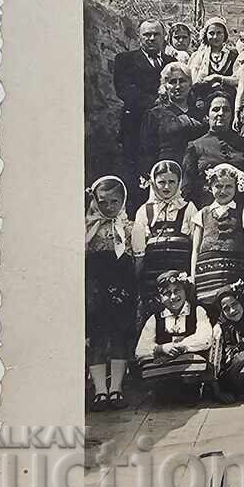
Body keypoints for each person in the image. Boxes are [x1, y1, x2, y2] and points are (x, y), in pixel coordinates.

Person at [85, 175, 136, 411]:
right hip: (95, 287)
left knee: (118, 335)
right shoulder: (87, 227)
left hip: (121, 286)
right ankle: (99, 391)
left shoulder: (128, 227)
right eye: (103, 202)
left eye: (114, 201)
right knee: (96, 337)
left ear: (123, 200)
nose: (108, 207)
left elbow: (136, 259)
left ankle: (116, 388)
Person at [131, 159, 198, 324]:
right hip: (152, 280)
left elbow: (195, 244)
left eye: (171, 182)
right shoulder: (144, 211)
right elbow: (139, 251)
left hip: (180, 278)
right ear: (154, 183)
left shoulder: (188, 208)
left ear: (179, 182)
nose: (166, 187)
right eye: (161, 182)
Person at [113, 20, 168, 209]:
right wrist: (155, 101)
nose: (151, 38)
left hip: (165, 129)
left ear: (163, 37)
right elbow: (124, 90)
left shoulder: (171, 62)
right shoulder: (125, 60)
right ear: (139, 37)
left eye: (156, 34)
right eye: (147, 35)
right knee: (135, 174)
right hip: (135, 127)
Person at [135, 271, 214, 400]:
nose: (173, 297)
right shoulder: (155, 318)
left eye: (177, 291)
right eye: (166, 293)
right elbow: (140, 350)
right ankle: (164, 391)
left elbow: (205, 338)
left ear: (185, 291)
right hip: (164, 381)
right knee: (148, 364)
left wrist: (178, 347)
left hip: (191, 378)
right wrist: (162, 349)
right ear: (160, 298)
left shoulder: (197, 311)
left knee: (196, 360)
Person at [190, 163, 244, 310]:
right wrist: (193, 278)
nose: (223, 191)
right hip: (206, 276)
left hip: (233, 274)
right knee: (208, 312)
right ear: (210, 187)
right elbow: (195, 250)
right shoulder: (202, 214)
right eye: (218, 186)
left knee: (232, 308)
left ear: (236, 188)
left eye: (228, 186)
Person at [181, 93, 244, 208]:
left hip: (242, 214)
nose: (221, 113)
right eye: (216, 109)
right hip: (208, 212)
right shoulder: (195, 147)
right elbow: (188, 189)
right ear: (207, 115)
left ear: (231, 115)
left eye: (226, 110)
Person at [138, 62, 205, 184]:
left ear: (190, 84)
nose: (178, 86)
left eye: (182, 81)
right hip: (168, 176)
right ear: (165, 86)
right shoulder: (155, 114)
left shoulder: (200, 114)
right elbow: (147, 151)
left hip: (196, 176)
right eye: (172, 82)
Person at [188, 17, 240, 117]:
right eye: (211, 33)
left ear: (225, 35)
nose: (215, 37)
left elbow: (238, 79)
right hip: (204, 100)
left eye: (219, 33)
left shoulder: (233, 55)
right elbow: (194, 82)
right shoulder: (199, 56)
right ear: (206, 35)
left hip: (228, 101)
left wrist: (218, 78)